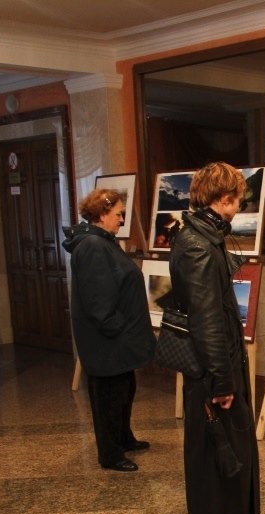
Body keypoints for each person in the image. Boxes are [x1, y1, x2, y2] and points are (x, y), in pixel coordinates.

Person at [169, 161, 265, 514]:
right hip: (212, 368)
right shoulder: (197, 245)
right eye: (238, 200)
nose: (239, 207)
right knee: (215, 454)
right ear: (224, 198)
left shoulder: (204, 235)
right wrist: (221, 382)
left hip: (222, 360)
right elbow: (206, 319)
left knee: (237, 443)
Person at [63, 189, 156, 472]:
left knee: (123, 390)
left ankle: (123, 438)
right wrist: (119, 328)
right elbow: (98, 300)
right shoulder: (93, 246)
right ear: (102, 214)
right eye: (118, 214)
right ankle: (110, 453)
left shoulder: (103, 242)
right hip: (107, 341)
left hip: (117, 340)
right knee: (108, 398)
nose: (122, 219)